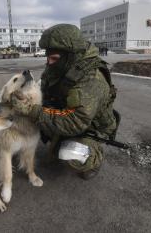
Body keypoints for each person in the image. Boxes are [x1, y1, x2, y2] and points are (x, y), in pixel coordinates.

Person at [10, 24, 118, 180]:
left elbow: (75, 121)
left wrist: (30, 110)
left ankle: (94, 157)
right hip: (65, 114)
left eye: (53, 58)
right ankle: (58, 141)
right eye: (48, 57)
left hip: (91, 127)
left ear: (71, 56)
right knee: (33, 120)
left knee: (69, 152)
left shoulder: (92, 78)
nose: (49, 62)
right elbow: (44, 90)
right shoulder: (58, 66)